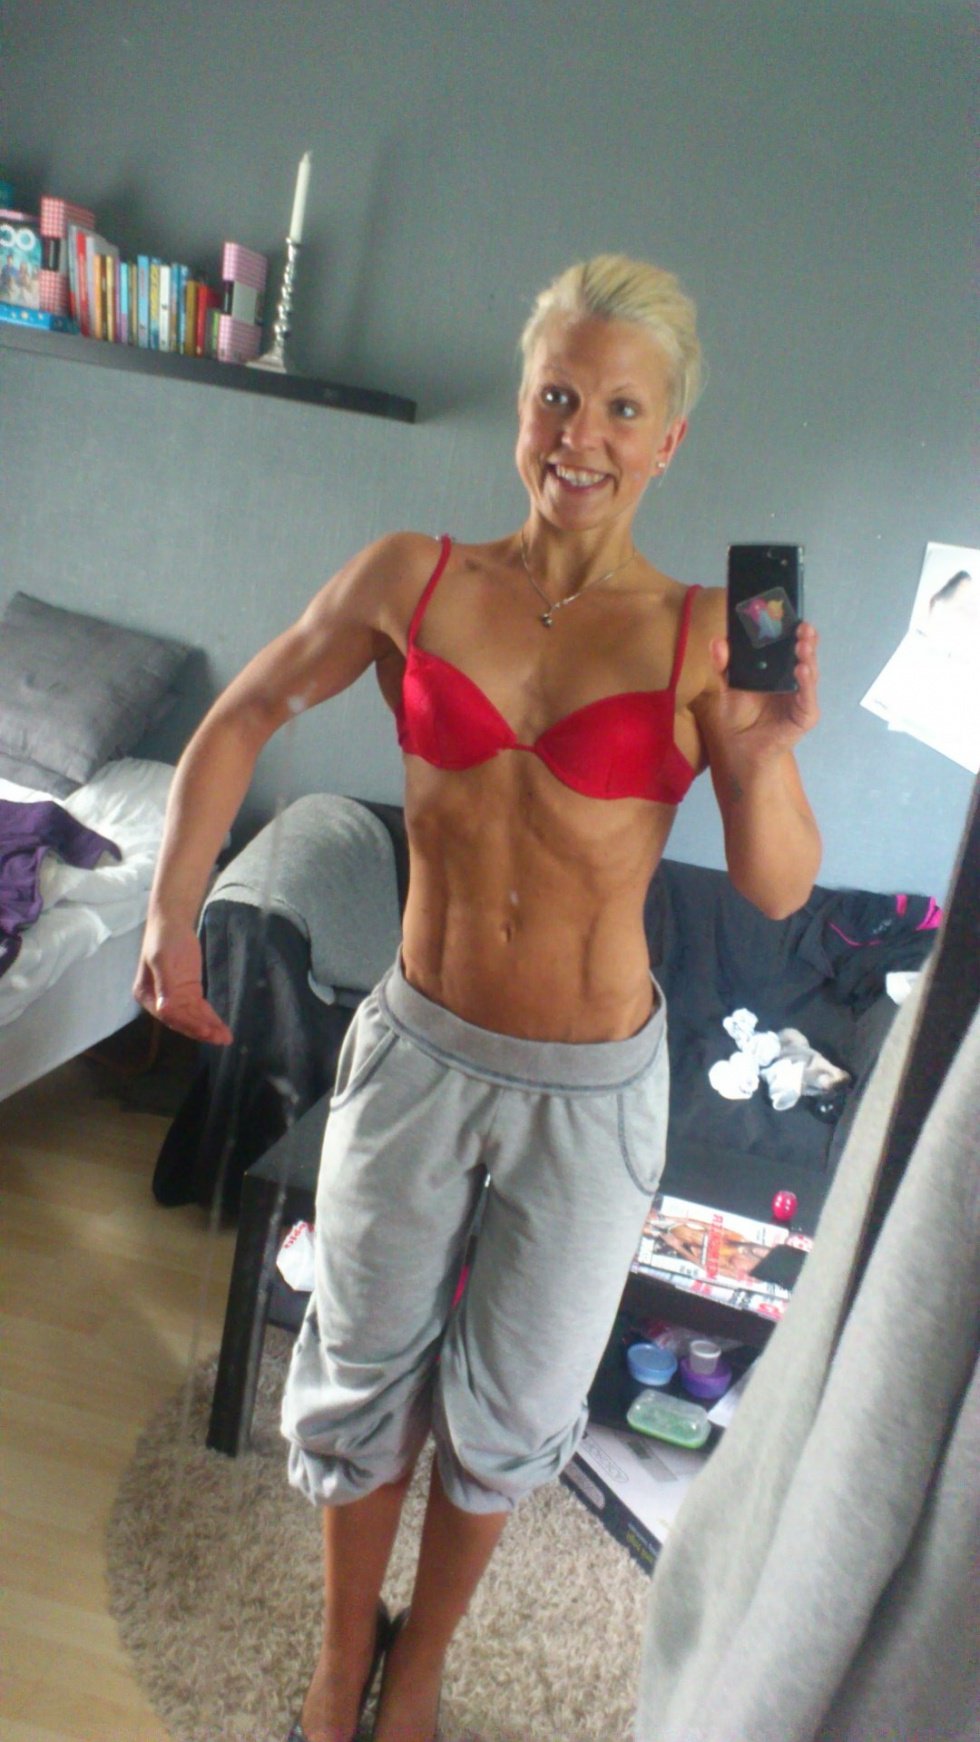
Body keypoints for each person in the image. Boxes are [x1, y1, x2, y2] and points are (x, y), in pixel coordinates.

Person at [135, 253, 821, 1742]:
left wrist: (764, 756)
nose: (582, 435)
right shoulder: (415, 576)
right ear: (523, 404)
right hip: (420, 1051)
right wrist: (172, 906)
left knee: (511, 1409)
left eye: (621, 409)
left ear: (668, 440)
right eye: (559, 395)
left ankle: (427, 1662)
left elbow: (777, 888)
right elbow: (247, 710)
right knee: (356, 1369)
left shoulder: (707, 631)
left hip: (590, 1093)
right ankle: (341, 1658)